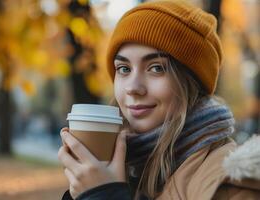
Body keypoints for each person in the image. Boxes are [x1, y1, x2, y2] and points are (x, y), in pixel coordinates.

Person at [58, 1, 260, 199]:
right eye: (124, 69)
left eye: (156, 68)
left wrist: (104, 196)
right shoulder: (126, 167)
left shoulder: (231, 183)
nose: (133, 88)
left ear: (192, 83)